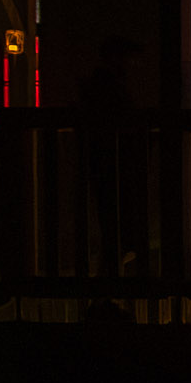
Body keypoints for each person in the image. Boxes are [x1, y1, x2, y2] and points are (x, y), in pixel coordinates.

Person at [78, 35, 143, 277]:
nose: (132, 65)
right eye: (129, 59)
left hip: (110, 163)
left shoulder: (102, 85)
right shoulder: (108, 87)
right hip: (112, 164)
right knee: (116, 223)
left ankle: (109, 277)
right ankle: (110, 278)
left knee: (113, 224)